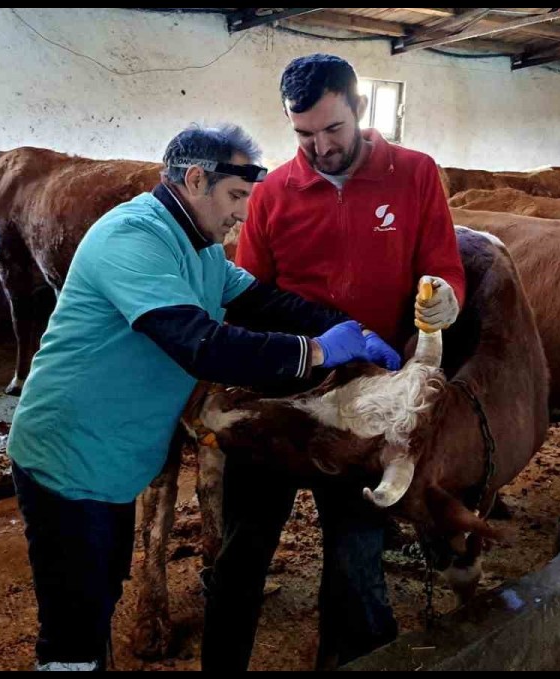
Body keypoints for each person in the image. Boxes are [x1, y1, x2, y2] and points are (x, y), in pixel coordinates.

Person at [7, 122, 400, 671]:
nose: (242, 214)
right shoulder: (133, 238)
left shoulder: (202, 250)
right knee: (72, 627)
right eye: (236, 197)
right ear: (195, 180)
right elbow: (201, 345)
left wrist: (350, 329)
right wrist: (315, 352)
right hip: (69, 459)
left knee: (100, 599)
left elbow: (266, 301)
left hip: (114, 463)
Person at [202, 54, 466, 671]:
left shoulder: (416, 175)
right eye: (303, 135)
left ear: (360, 110)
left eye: (332, 130)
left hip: (371, 398)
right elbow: (251, 292)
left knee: (354, 558)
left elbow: (442, 266)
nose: (319, 147)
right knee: (241, 552)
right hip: (285, 391)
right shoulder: (271, 193)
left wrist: (445, 297)